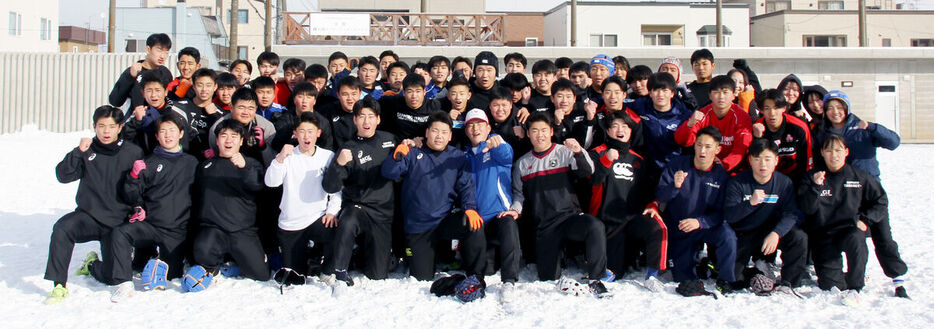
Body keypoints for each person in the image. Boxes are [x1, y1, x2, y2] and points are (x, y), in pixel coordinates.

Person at [87, 113, 198, 302]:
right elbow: (131, 194)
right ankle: (105, 271)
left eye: (172, 130)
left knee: (172, 276)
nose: (167, 135)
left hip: (176, 231)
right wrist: (133, 178)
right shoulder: (148, 163)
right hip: (150, 226)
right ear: (156, 136)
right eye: (163, 131)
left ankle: (147, 260)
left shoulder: (192, 163)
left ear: (180, 133)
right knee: (120, 233)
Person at [44, 105, 144, 304]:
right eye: (101, 126)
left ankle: (92, 265)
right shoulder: (87, 150)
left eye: (111, 126)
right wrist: (77, 152)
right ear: (94, 126)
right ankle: (58, 285)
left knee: (111, 277)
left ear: (120, 128)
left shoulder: (133, 152)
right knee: (62, 228)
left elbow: (139, 188)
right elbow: (63, 176)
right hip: (89, 216)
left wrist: (138, 208)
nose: (106, 131)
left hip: (117, 223)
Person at [814, 91, 908, 297]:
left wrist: (872, 127)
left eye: (839, 107)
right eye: (830, 108)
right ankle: (845, 273)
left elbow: (894, 142)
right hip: (843, 193)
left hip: (869, 190)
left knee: (883, 237)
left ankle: (897, 277)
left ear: (847, 108)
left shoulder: (862, 128)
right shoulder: (823, 133)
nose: (835, 112)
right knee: (848, 235)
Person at [381, 112, 487, 281]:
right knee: (421, 278)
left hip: (444, 220)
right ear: (427, 132)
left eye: (444, 132)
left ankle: (476, 275)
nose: (439, 136)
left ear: (450, 136)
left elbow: (466, 187)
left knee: (473, 224)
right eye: (435, 131)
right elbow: (389, 172)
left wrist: (470, 209)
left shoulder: (458, 157)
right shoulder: (413, 153)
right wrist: (397, 154)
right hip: (418, 227)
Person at [511, 113, 610, 290]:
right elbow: (519, 196)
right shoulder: (522, 164)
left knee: (594, 226)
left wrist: (579, 151)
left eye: (543, 130)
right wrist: (515, 210)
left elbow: (588, 171)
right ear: (528, 134)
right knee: (547, 279)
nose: (539, 135)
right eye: (534, 131)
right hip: (544, 226)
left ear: (550, 131)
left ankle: (597, 277)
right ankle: (559, 259)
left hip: (569, 218)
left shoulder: (564, 152)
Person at [797, 134, 892, 304]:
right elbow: (807, 208)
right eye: (829, 150)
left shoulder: (859, 177)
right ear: (822, 153)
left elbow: (881, 200)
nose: (834, 155)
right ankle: (840, 277)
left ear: (846, 152)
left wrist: (866, 220)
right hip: (823, 235)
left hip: (849, 230)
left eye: (838, 150)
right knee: (830, 285)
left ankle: (856, 284)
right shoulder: (812, 177)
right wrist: (815, 187)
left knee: (856, 238)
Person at [186, 120, 270, 291]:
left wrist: (244, 167)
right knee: (202, 254)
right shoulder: (205, 166)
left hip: (242, 230)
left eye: (234, 136)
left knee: (261, 275)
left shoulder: (251, 163)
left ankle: (237, 263)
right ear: (217, 140)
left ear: (241, 141)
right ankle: (217, 264)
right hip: (213, 229)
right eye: (224, 136)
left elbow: (258, 186)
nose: (228, 140)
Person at [587, 111, 667, 292]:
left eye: (625, 126)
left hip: (631, 219)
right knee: (616, 272)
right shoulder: (597, 153)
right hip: (607, 222)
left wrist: (652, 205)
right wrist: (606, 161)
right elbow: (593, 180)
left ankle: (652, 275)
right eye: (615, 126)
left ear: (631, 131)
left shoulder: (638, 159)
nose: (620, 130)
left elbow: (648, 190)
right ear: (607, 131)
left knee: (657, 227)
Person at [651, 126, 737, 292]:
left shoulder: (721, 176)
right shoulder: (678, 165)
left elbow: (722, 213)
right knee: (683, 278)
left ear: (718, 149)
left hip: (705, 226)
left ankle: (726, 279)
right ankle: (698, 265)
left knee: (727, 235)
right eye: (699, 145)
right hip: (680, 228)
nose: (702, 150)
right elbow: (661, 196)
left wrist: (700, 222)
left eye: (708, 146)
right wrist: (674, 186)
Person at [323, 98, 399, 281]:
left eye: (371, 116)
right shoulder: (348, 148)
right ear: (354, 120)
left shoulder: (390, 140)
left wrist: (413, 145)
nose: (366, 121)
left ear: (378, 120)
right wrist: (338, 165)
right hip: (357, 207)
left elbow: (403, 169)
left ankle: (361, 255)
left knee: (378, 275)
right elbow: (330, 186)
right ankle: (339, 270)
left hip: (382, 211)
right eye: (362, 116)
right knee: (347, 221)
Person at [265, 113, 341, 281]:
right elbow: (271, 182)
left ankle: (327, 271)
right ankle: (307, 260)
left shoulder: (327, 156)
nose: (306, 136)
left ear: (318, 133)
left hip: (317, 217)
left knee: (340, 231)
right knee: (295, 277)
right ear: (295, 133)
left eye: (310, 131)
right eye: (302, 131)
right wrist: (280, 158)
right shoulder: (288, 155)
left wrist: (332, 212)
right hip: (291, 222)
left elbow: (336, 190)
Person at [724, 139, 808, 289]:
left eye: (767, 159)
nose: (762, 164)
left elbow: (790, 213)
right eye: (757, 159)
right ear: (750, 160)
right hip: (745, 233)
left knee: (798, 237)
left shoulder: (784, 182)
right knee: (733, 279)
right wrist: (749, 204)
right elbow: (729, 216)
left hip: (769, 231)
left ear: (776, 160)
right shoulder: (737, 183)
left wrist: (776, 233)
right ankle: (756, 274)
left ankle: (790, 282)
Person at [462, 109, 521, 298]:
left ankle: (509, 281)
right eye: (471, 125)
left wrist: (497, 143)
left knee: (508, 223)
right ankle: (475, 279)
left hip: (499, 215)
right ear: (465, 130)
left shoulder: (496, 146)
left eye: (480, 124)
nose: (475, 128)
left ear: (488, 127)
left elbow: (506, 154)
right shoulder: (464, 156)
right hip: (478, 219)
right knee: (486, 268)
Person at [674, 75, 752, 174]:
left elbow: (741, 148)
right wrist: (689, 125)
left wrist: (724, 164)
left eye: (725, 92)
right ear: (710, 95)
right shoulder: (702, 114)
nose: (721, 97)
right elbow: (683, 141)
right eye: (716, 92)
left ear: (733, 95)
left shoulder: (742, 117)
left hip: (732, 170)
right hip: (704, 168)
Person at [628, 73, 693, 174]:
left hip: (674, 169)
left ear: (672, 93)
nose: (660, 94)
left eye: (664, 90)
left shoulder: (684, 115)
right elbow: (618, 105)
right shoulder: (640, 106)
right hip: (646, 169)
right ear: (650, 93)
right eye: (656, 90)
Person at [121, 71, 194, 155]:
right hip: (148, 162)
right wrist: (136, 122)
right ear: (143, 93)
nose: (153, 95)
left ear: (166, 91)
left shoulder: (180, 111)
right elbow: (123, 139)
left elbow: (192, 139)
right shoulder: (138, 113)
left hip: (177, 161)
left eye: (157, 90)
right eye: (149, 90)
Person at [751, 89, 813, 183]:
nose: (772, 113)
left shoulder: (799, 127)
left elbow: (807, 160)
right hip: (767, 180)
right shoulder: (756, 128)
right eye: (767, 108)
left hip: (795, 178)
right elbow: (753, 161)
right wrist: (757, 139)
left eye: (776, 108)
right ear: (761, 110)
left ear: (784, 108)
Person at [109, 33, 172, 109]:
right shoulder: (133, 72)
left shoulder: (165, 73)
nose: (162, 56)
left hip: (161, 119)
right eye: (159, 50)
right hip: (137, 119)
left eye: (166, 52)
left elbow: (170, 99)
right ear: (148, 49)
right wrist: (130, 77)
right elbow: (115, 101)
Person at [176, 68, 224, 160]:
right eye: (200, 85)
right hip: (181, 160)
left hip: (208, 162)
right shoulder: (179, 108)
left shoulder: (221, 115)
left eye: (208, 85)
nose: (204, 89)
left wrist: (214, 116)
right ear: (193, 86)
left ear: (215, 87)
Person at [379, 74, 443, 139]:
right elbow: (372, 104)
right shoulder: (392, 102)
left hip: (422, 144)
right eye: (410, 91)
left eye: (418, 91)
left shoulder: (434, 106)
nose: (414, 96)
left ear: (424, 92)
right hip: (398, 143)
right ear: (404, 92)